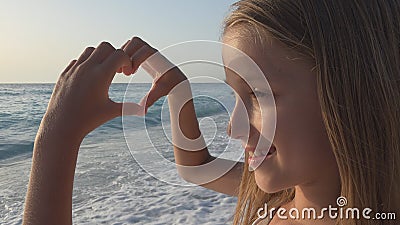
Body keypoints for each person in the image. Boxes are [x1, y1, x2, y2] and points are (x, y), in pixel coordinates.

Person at [23, 1, 400, 225]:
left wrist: (55, 141)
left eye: (256, 95)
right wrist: (178, 90)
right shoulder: (287, 193)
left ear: (354, 91)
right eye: (234, 96)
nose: (234, 128)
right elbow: (196, 168)